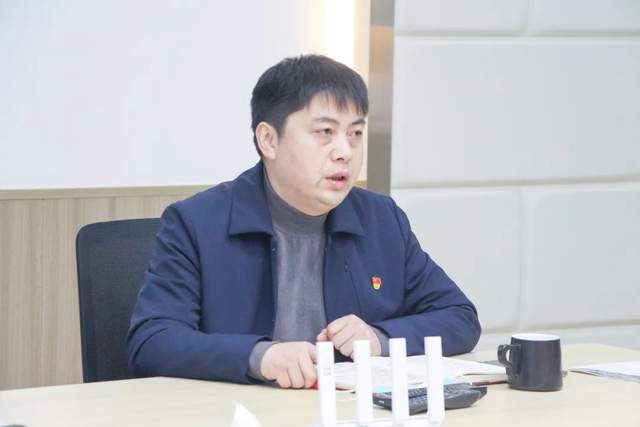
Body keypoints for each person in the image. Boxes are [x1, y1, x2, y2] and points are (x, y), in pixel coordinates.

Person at [127, 54, 481, 389]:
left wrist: (379, 339)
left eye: (355, 133)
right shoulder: (197, 223)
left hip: (347, 412)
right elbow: (152, 342)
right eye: (325, 132)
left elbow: (459, 317)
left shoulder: (381, 219)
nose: (345, 152)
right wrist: (258, 357)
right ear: (269, 140)